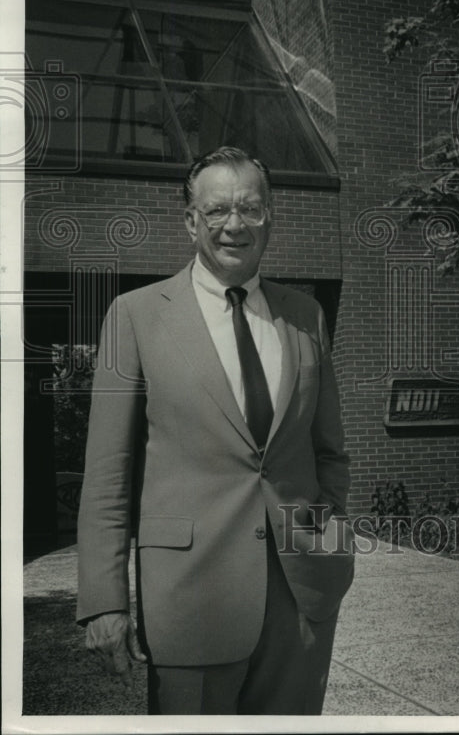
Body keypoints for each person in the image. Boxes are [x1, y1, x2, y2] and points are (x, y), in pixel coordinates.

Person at [76, 146, 354, 715]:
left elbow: (329, 454)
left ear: (270, 217)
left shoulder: (306, 315)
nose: (235, 225)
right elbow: (108, 474)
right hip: (190, 596)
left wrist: (329, 554)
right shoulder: (134, 316)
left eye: (251, 209)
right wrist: (104, 600)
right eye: (217, 211)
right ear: (191, 221)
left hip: (303, 593)